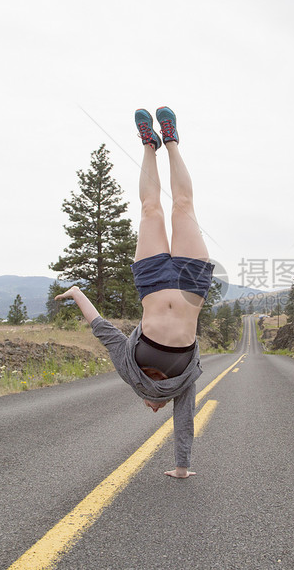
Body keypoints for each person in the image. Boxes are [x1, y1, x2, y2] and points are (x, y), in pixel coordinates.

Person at [55, 107, 214, 479]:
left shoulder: (130, 371)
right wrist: (181, 466)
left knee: (149, 211)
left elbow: (103, 329)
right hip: (192, 286)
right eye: (156, 409)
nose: (153, 408)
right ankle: (171, 142)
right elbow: (186, 422)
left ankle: (149, 146)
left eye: (151, 408)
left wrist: (78, 293)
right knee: (184, 208)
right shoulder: (184, 383)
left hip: (152, 282)